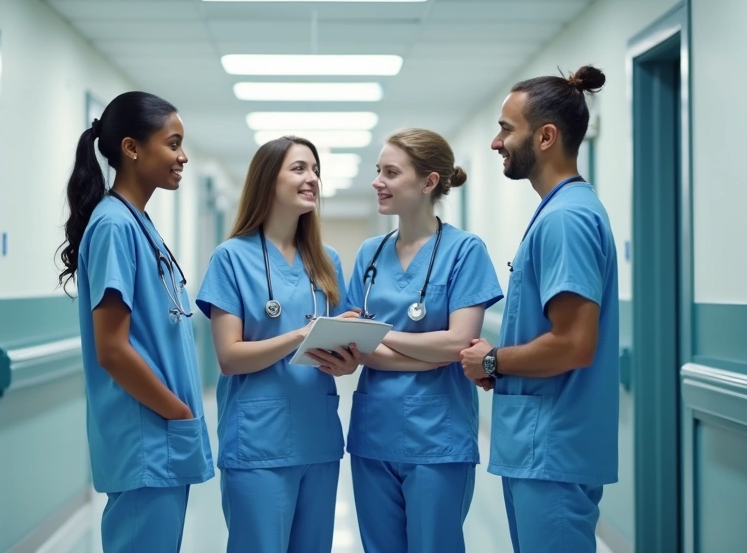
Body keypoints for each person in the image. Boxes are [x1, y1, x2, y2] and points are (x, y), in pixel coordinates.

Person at [460, 65, 619, 553]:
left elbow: (573, 344)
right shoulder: (560, 209)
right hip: (542, 447)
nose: (495, 143)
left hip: (552, 449)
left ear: (546, 136)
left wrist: (493, 360)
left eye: (507, 129)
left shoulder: (567, 218)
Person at [57, 92, 214, 552]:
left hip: (158, 435)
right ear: (131, 148)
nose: (182, 156)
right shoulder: (114, 226)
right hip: (148, 436)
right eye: (173, 143)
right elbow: (112, 349)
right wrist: (177, 411)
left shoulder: (135, 221)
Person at [194, 135, 360, 553]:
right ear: (269, 181)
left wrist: (346, 362)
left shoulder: (327, 261)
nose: (312, 179)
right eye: (300, 168)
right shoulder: (230, 258)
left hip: (318, 441)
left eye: (316, 170)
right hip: (257, 445)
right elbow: (229, 357)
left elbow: (345, 353)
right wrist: (299, 336)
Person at [344, 128, 504, 553]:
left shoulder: (465, 251)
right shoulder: (370, 255)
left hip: (438, 436)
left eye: (391, 172)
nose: (377, 180)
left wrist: (383, 338)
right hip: (373, 433)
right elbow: (354, 344)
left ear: (429, 181)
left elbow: (459, 344)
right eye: (378, 170)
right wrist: (425, 352)